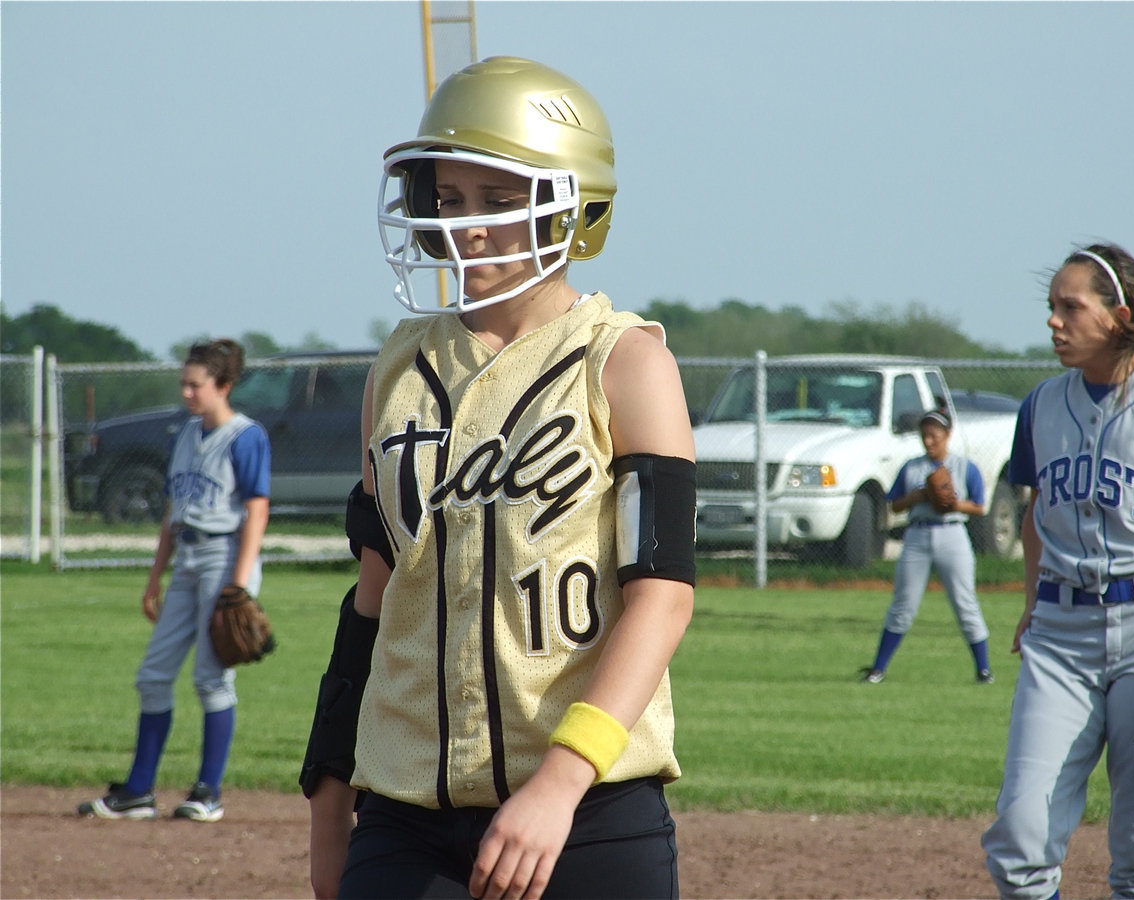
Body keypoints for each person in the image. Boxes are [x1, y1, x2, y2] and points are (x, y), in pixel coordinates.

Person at [301, 57, 697, 900]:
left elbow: (662, 598)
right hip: (407, 813)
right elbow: (372, 601)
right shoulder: (399, 370)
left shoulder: (625, 361)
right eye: (449, 201)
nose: (466, 227)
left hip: (589, 809)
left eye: (496, 199)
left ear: (572, 203)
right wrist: (329, 798)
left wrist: (559, 782)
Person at [981, 243, 1134, 899]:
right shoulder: (1041, 405)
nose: (1054, 321)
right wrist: (1027, 603)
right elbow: (1036, 510)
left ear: (1119, 315)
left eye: (1071, 307)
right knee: (1020, 842)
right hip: (1060, 632)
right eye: (1051, 308)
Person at [78, 339, 271, 822]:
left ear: (223, 385)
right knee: (154, 676)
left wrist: (240, 583)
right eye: (183, 383)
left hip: (224, 559)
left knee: (210, 677)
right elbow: (171, 510)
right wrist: (153, 579)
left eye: (195, 384)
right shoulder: (185, 434)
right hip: (186, 556)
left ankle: (208, 792)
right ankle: (139, 791)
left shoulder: (246, 436)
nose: (186, 392)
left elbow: (256, 510)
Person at [861, 408, 993, 684]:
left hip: (952, 534)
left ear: (947, 435)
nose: (929, 441)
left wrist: (953, 504)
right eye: (925, 436)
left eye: (934, 435)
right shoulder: (912, 467)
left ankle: (983, 670)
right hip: (918, 536)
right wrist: (917, 497)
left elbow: (980, 507)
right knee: (903, 604)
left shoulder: (964, 467)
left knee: (964, 603)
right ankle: (878, 669)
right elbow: (894, 504)